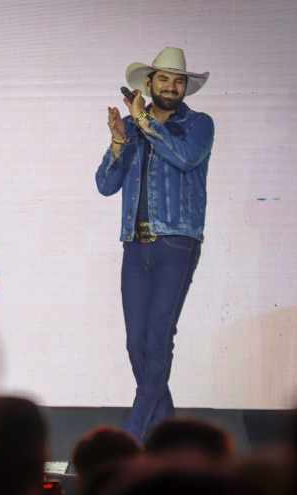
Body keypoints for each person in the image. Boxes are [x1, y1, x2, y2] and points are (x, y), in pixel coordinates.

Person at [94, 47, 214, 441]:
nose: (172, 87)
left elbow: (184, 158)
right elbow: (106, 186)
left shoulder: (197, 125)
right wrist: (117, 143)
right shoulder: (131, 127)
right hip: (135, 245)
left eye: (179, 81)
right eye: (164, 79)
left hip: (176, 243)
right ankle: (171, 434)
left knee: (159, 338)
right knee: (136, 344)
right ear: (148, 83)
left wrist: (144, 121)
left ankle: (132, 436)